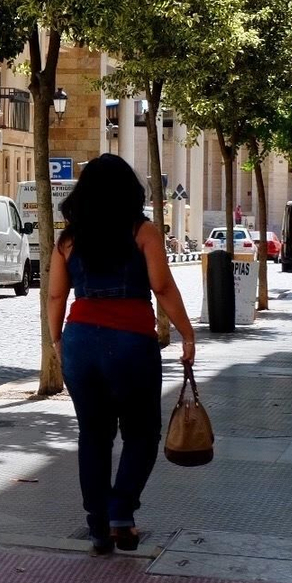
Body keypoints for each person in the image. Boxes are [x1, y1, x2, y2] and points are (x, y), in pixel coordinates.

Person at [45, 154, 196, 557]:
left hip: (80, 341)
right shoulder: (143, 231)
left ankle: (97, 528)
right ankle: (120, 512)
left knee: (93, 437)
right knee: (141, 434)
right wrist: (187, 333)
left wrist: (58, 340)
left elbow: (56, 294)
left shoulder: (68, 239)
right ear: (130, 191)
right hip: (131, 342)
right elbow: (162, 287)